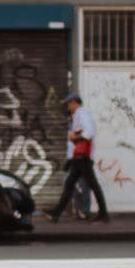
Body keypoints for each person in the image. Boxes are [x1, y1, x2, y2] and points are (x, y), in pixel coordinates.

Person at [47, 93, 109, 223]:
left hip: (83, 158)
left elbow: (89, 133)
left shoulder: (82, 113)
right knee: (70, 184)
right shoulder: (78, 115)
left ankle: (103, 213)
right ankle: (56, 213)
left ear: (74, 102)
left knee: (92, 185)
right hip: (79, 158)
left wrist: (74, 137)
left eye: (69, 104)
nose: (68, 107)